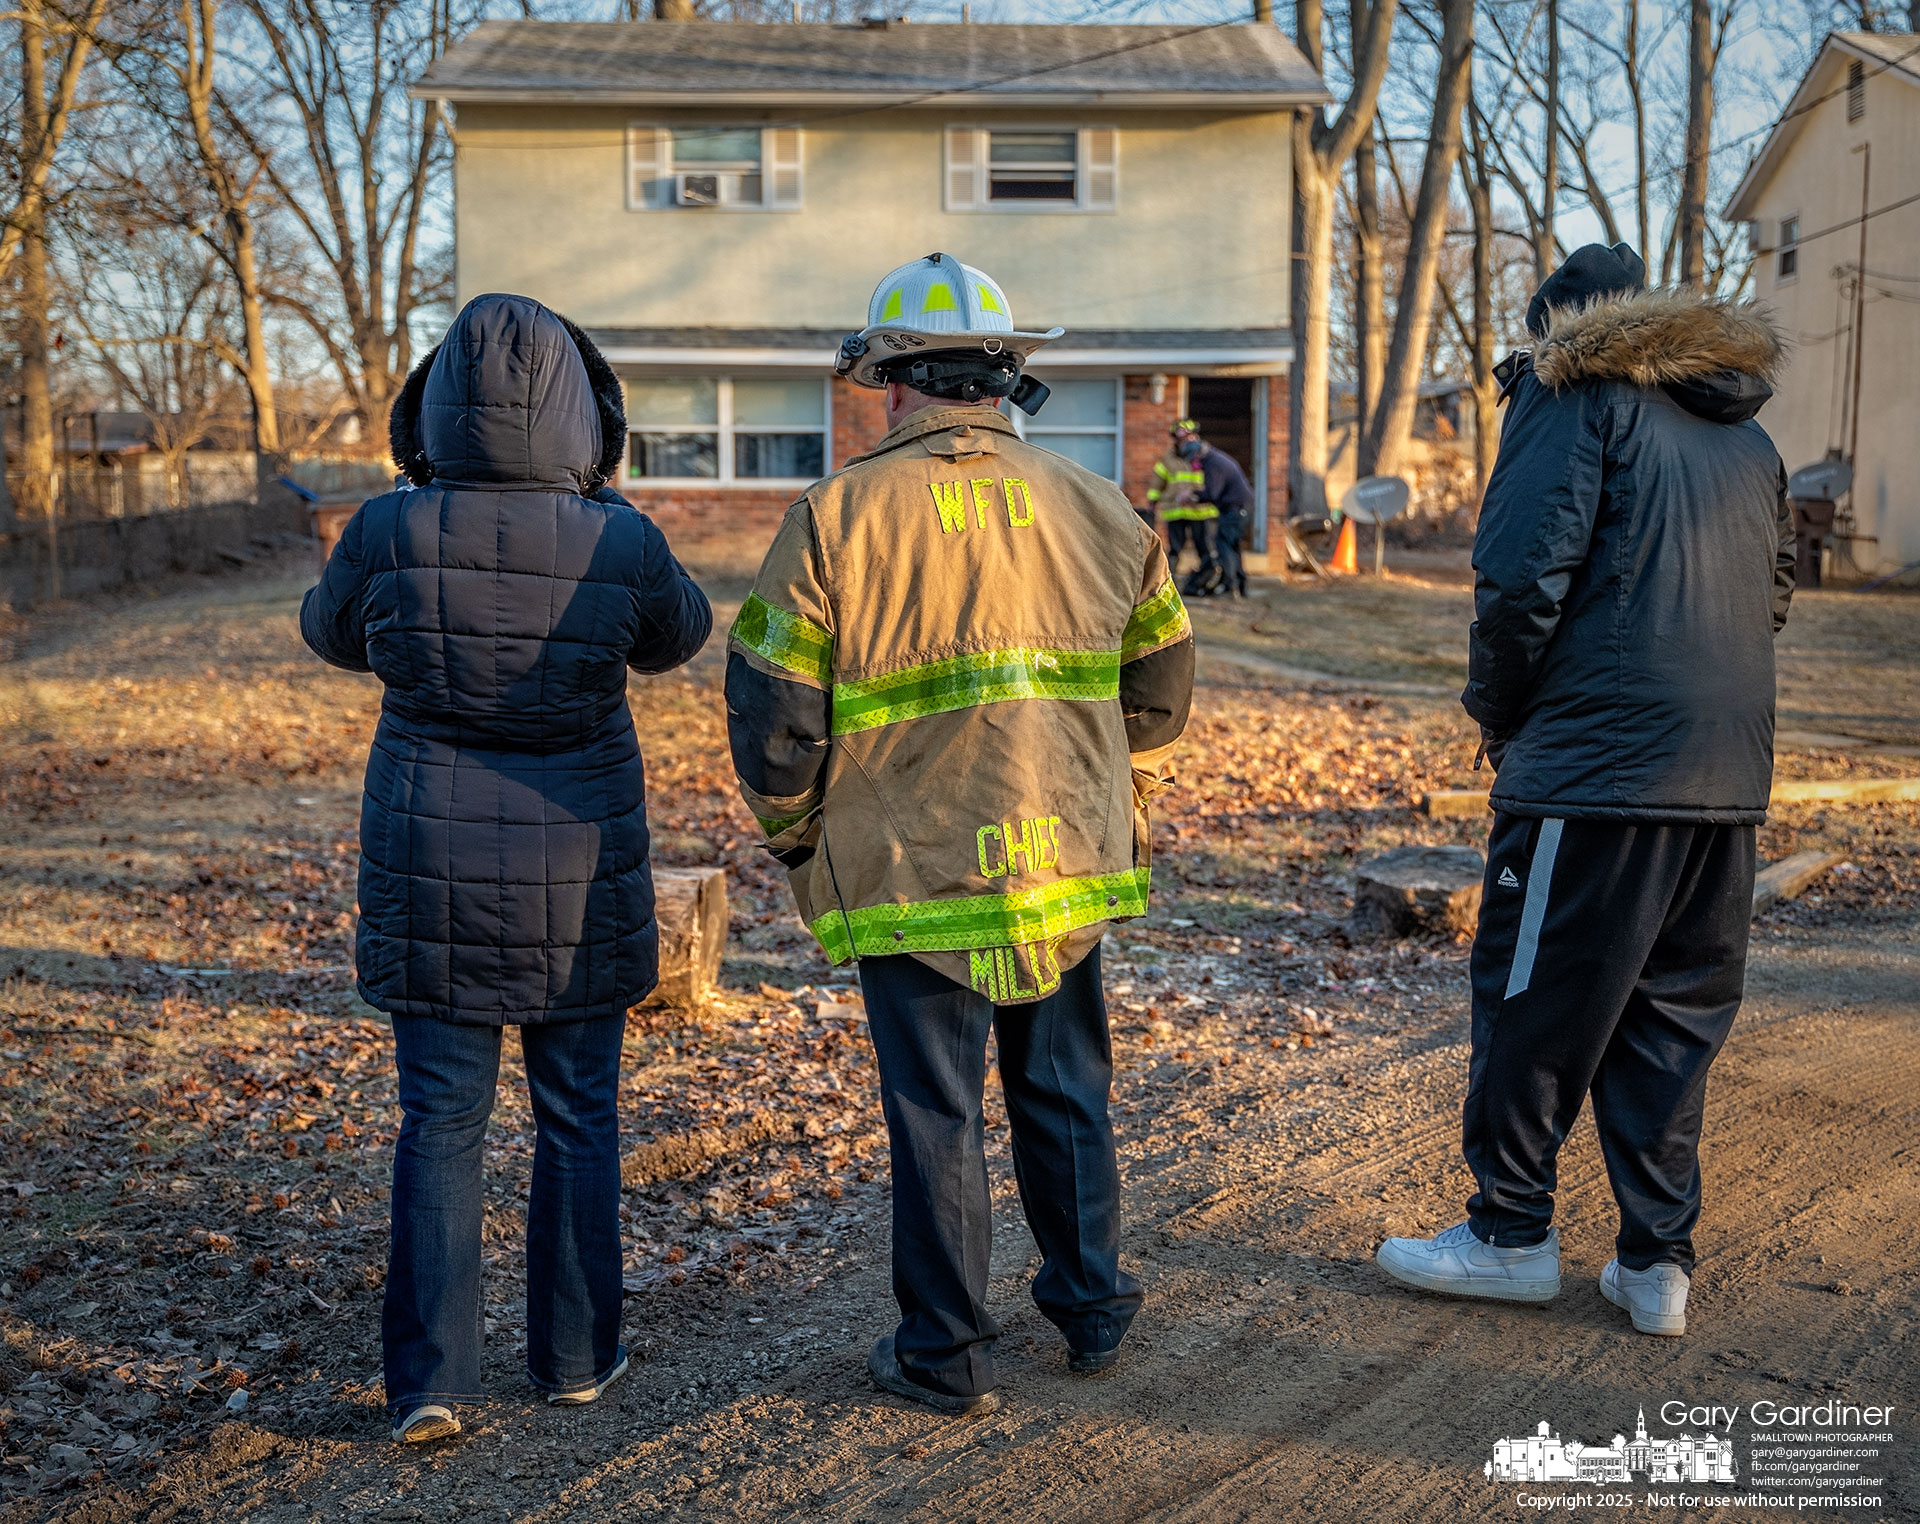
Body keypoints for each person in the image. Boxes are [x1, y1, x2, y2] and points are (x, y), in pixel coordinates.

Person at [725, 253, 1194, 1415]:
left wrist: (797, 836)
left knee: (936, 1113)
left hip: (910, 873)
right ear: (1005, 381)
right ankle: (1091, 1309)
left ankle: (945, 1354)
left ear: (892, 383)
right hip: (1068, 862)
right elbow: (1164, 696)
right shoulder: (1104, 509)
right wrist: (1090, 779)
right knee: (1067, 1088)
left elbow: (774, 719)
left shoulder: (831, 518)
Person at [301, 293, 712, 1442]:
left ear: (433, 404)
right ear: (585, 413)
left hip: (429, 866)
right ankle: (578, 1356)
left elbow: (327, 636)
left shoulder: (387, 529)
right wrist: (607, 506)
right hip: (578, 876)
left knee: (439, 1123)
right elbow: (683, 635)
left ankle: (431, 1381)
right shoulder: (619, 539)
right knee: (578, 1116)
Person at [1375, 245, 1794, 1337]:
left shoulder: (1574, 399)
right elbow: (1776, 590)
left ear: (1562, 328)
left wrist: (1501, 717)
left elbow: (1520, 578)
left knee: (1536, 1003)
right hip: (1726, 773)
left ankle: (1509, 1233)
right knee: (1675, 1011)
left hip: (1597, 770)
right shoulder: (1745, 434)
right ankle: (1657, 1266)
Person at [1172, 419, 1254, 598]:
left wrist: (1191, 496)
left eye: (1192, 459)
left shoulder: (1213, 464)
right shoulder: (1214, 458)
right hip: (1239, 506)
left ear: (1196, 453)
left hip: (1235, 508)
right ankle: (1240, 587)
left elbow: (1211, 493)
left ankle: (1229, 586)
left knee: (1223, 546)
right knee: (1233, 547)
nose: (1192, 463)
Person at [1144, 431, 1203, 542]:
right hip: (1174, 508)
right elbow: (1157, 483)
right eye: (1181, 439)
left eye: (1189, 438)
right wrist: (1152, 502)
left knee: (1204, 548)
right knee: (1174, 547)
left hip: (1199, 509)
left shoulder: (1203, 457)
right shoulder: (1167, 459)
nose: (1185, 442)